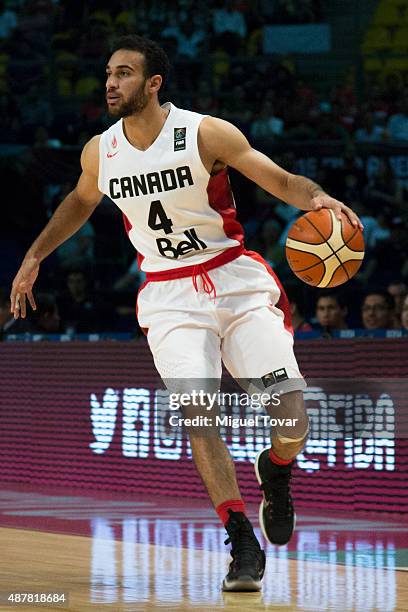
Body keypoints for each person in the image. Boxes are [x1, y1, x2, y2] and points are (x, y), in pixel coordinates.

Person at [10, 35, 362, 592]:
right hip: (170, 297)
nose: (110, 82)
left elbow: (280, 180)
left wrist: (316, 198)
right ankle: (240, 536)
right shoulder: (100, 152)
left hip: (235, 281)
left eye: (124, 73)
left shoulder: (204, 133)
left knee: (292, 419)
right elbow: (80, 200)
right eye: (108, 72)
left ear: (153, 84)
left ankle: (276, 468)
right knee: (201, 417)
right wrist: (34, 255)